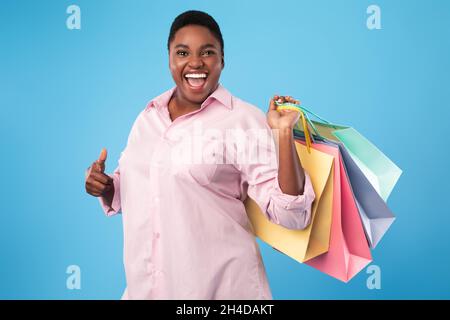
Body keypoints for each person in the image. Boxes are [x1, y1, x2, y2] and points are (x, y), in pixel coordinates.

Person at [85, 10, 315, 300]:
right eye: (183, 52)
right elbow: (142, 182)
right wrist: (107, 186)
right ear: (169, 58)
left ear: (222, 60)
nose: (195, 62)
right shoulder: (148, 116)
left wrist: (283, 136)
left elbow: (293, 215)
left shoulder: (241, 119)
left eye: (207, 52)